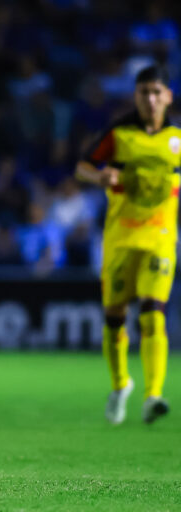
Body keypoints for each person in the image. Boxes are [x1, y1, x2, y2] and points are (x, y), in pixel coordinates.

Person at [75, 65, 179, 425]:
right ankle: (120, 385)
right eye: (143, 92)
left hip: (160, 239)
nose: (150, 99)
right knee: (115, 318)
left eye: (156, 92)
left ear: (168, 96)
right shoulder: (119, 134)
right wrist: (99, 174)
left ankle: (153, 395)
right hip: (120, 237)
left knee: (153, 313)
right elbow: (82, 168)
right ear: (135, 96)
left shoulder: (177, 138)